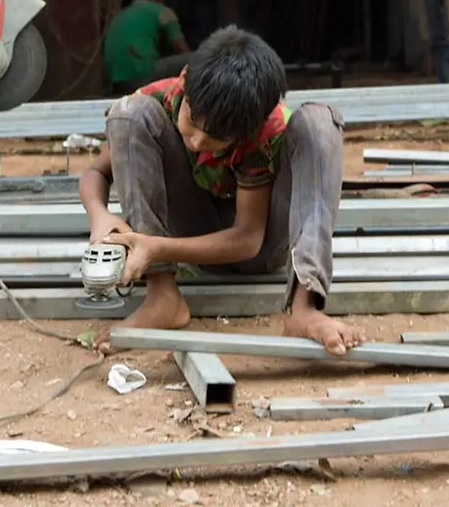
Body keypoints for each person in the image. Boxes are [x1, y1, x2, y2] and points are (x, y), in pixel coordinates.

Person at [80, 25, 366, 356]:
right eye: (193, 122)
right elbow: (95, 172)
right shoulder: (163, 97)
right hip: (187, 231)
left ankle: (304, 308)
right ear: (185, 81)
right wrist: (100, 216)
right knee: (128, 114)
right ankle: (162, 297)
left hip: (260, 247)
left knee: (319, 121)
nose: (199, 141)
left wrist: (155, 247)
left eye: (217, 137)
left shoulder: (265, 127)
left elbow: (248, 238)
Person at [103, 0, 193, 95]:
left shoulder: (120, 14)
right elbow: (180, 47)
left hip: (116, 82)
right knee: (192, 59)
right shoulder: (161, 10)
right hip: (141, 77)